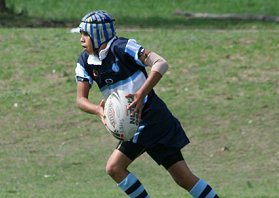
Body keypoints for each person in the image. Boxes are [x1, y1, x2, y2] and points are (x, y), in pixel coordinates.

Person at [74, 10, 219, 198]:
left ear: (98, 33)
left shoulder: (123, 47)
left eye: (85, 34)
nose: (81, 39)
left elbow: (161, 63)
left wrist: (141, 94)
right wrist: (98, 111)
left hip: (152, 117)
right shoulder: (85, 62)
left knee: (114, 167)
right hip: (135, 122)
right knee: (183, 178)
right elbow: (80, 100)